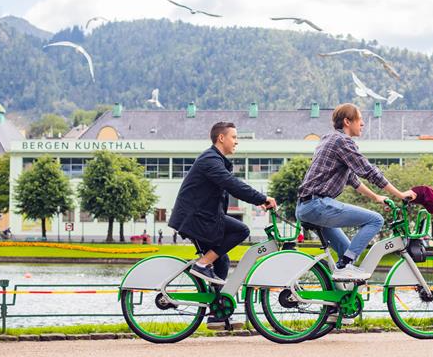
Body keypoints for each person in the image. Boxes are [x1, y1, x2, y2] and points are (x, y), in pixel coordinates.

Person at [169, 121, 277, 330]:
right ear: (221, 138)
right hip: (196, 218)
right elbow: (232, 184)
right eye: (234, 137)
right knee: (241, 230)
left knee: (222, 260)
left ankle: (217, 314)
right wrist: (261, 198)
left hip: (202, 216)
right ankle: (201, 265)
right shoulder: (210, 160)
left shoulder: (215, 160)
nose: (236, 142)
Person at [296, 103, 416, 281]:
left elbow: (353, 179)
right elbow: (368, 170)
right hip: (317, 205)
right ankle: (344, 266)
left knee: (348, 252)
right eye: (360, 120)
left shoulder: (329, 138)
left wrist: (376, 197)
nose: (363, 124)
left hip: (306, 206)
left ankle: (334, 301)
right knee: (375, 220)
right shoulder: (342, 141)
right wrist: (400, 194)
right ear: (347, 121)